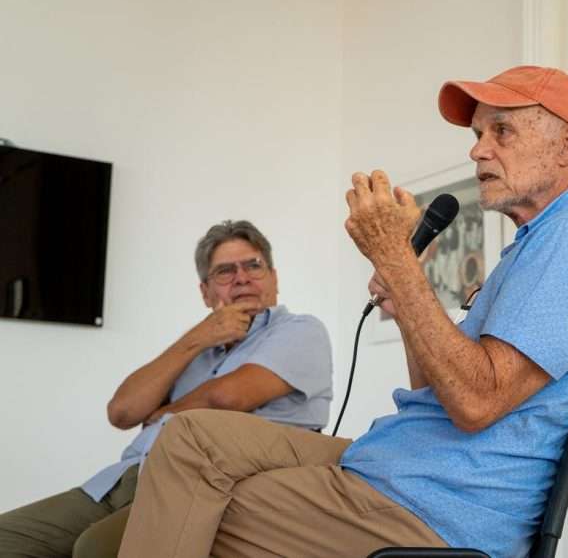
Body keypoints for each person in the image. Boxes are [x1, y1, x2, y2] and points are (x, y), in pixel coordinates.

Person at [115, 66, 568, 558]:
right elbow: (437, 387)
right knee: (187, 438)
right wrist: (404, 296)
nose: (479, 151)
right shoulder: (538, 246)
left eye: (501, 132)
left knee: (192, 511)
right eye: (476, 135)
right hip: (402, 465)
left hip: (433, 507)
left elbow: (475, 402)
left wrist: (396, 257)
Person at [0, 220, 333, 558]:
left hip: (201, 486)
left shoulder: (300, 330)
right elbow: (122, 411)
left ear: (273, 277)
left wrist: (164, 413)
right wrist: (198, 337)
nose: (242, 277)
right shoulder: (198, 347)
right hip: (124, 478)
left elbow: (229, 398)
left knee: (95, 549)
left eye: (253, 265)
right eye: (225, 272)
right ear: (205, 292)